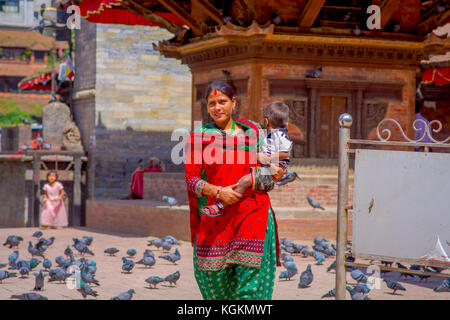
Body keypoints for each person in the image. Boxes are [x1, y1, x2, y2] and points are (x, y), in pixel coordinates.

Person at [185, 81, 286, 300]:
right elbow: (191, 180)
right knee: (214, 283)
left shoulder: (256, 134)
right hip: (217, 218)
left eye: (222, 102)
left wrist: (258, 177)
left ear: (233, 103)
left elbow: (273, 176)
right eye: (212, 103)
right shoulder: (199, 137)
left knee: (250, 291)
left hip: (254, 215)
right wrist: (218, 192)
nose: (217, 107)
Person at [201, 101, 293, 217]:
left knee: (244, 181)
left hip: (270, 172)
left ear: (266, 121)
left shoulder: (280, 135)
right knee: (243, 179)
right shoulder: (263, 133)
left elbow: (285, 154)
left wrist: (266, 158)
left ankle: (221, 206)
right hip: (266, 170)